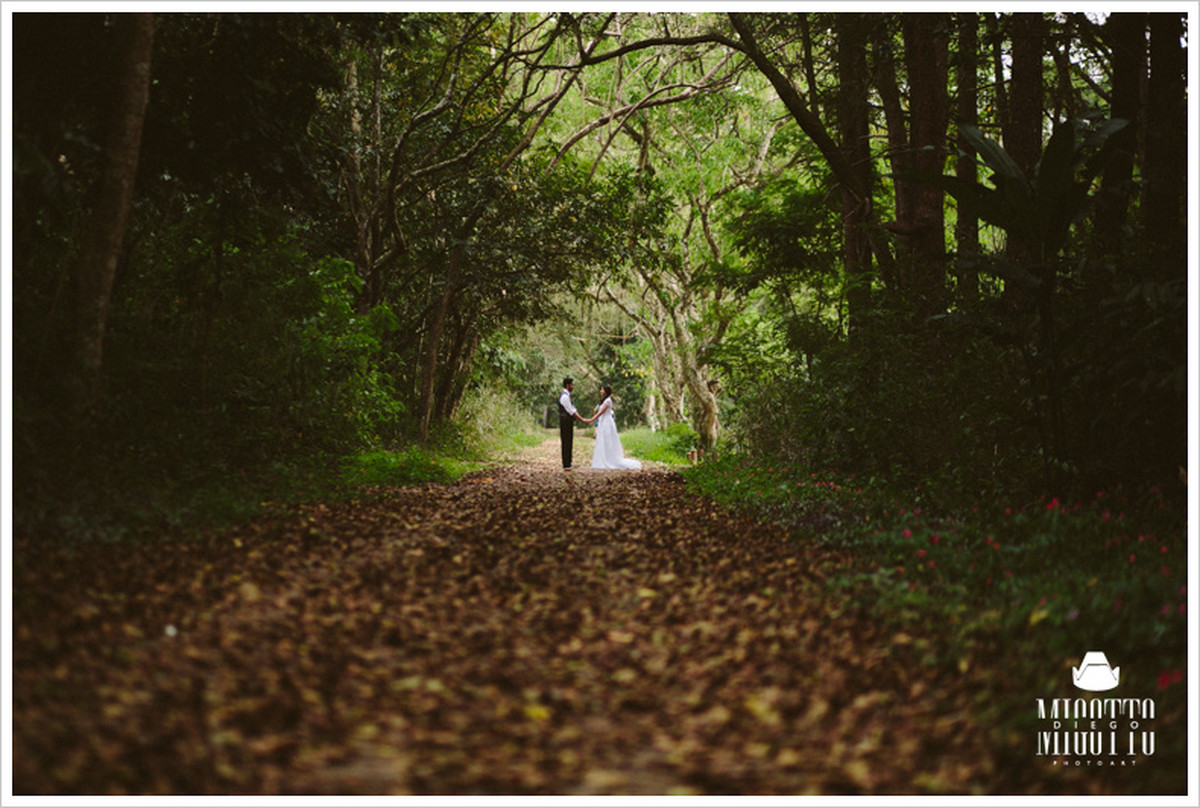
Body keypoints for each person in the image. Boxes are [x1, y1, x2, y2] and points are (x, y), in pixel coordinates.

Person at [591, 385, 641, 470]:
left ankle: (609, 460)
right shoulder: (604, 401)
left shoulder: (608, 401)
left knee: (607, 440)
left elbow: (600, 413)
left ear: (606, 391)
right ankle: (603, 459)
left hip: (607, 422)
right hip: (603, 422)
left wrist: (590, 420)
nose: (600, 391)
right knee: (603, 440)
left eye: (602, 390)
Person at [557, 377, 589, 470]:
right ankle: (566, 463)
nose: (573, 386)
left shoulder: (567, 396)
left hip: (567, 421)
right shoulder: (564, 397)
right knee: (566, 441)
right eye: (572, 384)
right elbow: (571, 411)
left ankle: (568, 462)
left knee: (569, 441)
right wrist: (582, 419)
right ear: (567, 385)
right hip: (565, 422)